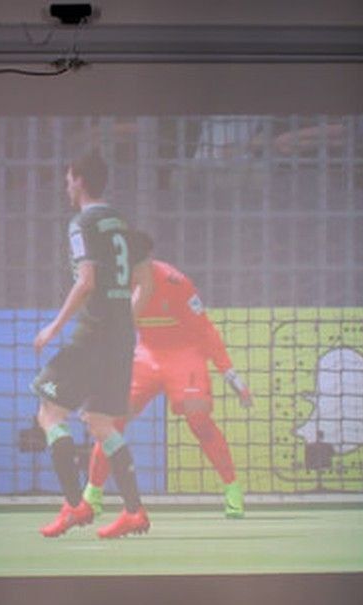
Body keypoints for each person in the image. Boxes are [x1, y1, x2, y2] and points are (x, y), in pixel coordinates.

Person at [82, 231, 253, 519]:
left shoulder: (176, 282)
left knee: (199, 420)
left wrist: (230, 374)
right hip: (146, 355)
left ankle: (232, 488)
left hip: (185, 356)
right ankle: (92, 494)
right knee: (111, 420)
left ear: (146, 260)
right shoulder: (114, 283)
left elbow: (205, 330)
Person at [32, 152, 151, 539]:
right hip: (120, 335)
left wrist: (54, 327)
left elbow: (86, 281)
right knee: (100, 422)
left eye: (69, 179)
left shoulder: (82, 222)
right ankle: (133, 511)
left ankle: (75, 506)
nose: (66, 186)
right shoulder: (121, 221)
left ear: (80, 180)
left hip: (94, 331)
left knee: (49, 413)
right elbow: (142, 281)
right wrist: (124, 320)